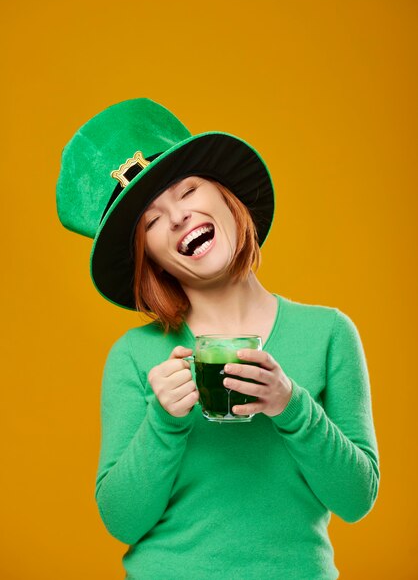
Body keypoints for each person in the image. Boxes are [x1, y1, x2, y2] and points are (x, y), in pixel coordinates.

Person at [56, 98, 380, 580]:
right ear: (153, 261)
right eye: (151, 221)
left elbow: (356, 500)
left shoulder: (330, 334)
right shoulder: (133, 357)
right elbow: (121, 521)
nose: (178, 217)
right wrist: (164, 422)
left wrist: (291, 404)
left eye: (187, 191)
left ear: (228, 199)